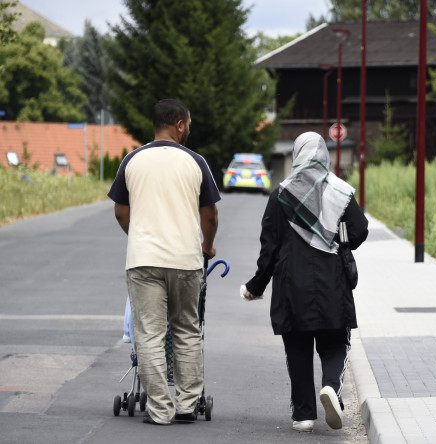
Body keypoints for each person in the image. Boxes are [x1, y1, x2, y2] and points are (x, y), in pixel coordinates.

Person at [242, 131, 369, 433]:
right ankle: (331, 388)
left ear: (297, 155)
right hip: (332, 283)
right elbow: (360, 229)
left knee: (297, 349)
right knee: (334, 342)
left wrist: (255, 286)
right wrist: (335, 236)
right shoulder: (339, 191)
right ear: (324, 155)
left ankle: (303, 415)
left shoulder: (280, 194)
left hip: (291, 286)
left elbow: (269, 249)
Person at [108, 99, 220, 426]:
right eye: (189, 124)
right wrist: (207, 246)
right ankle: (187, 405)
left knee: (150, 333)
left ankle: (159, 409)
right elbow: (210, 214)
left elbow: (120, 210)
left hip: (143, 261)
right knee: (186, 328)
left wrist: (139, 236)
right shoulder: (196, 162)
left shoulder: (132, 160)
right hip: (186, 259)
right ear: (180, 125)